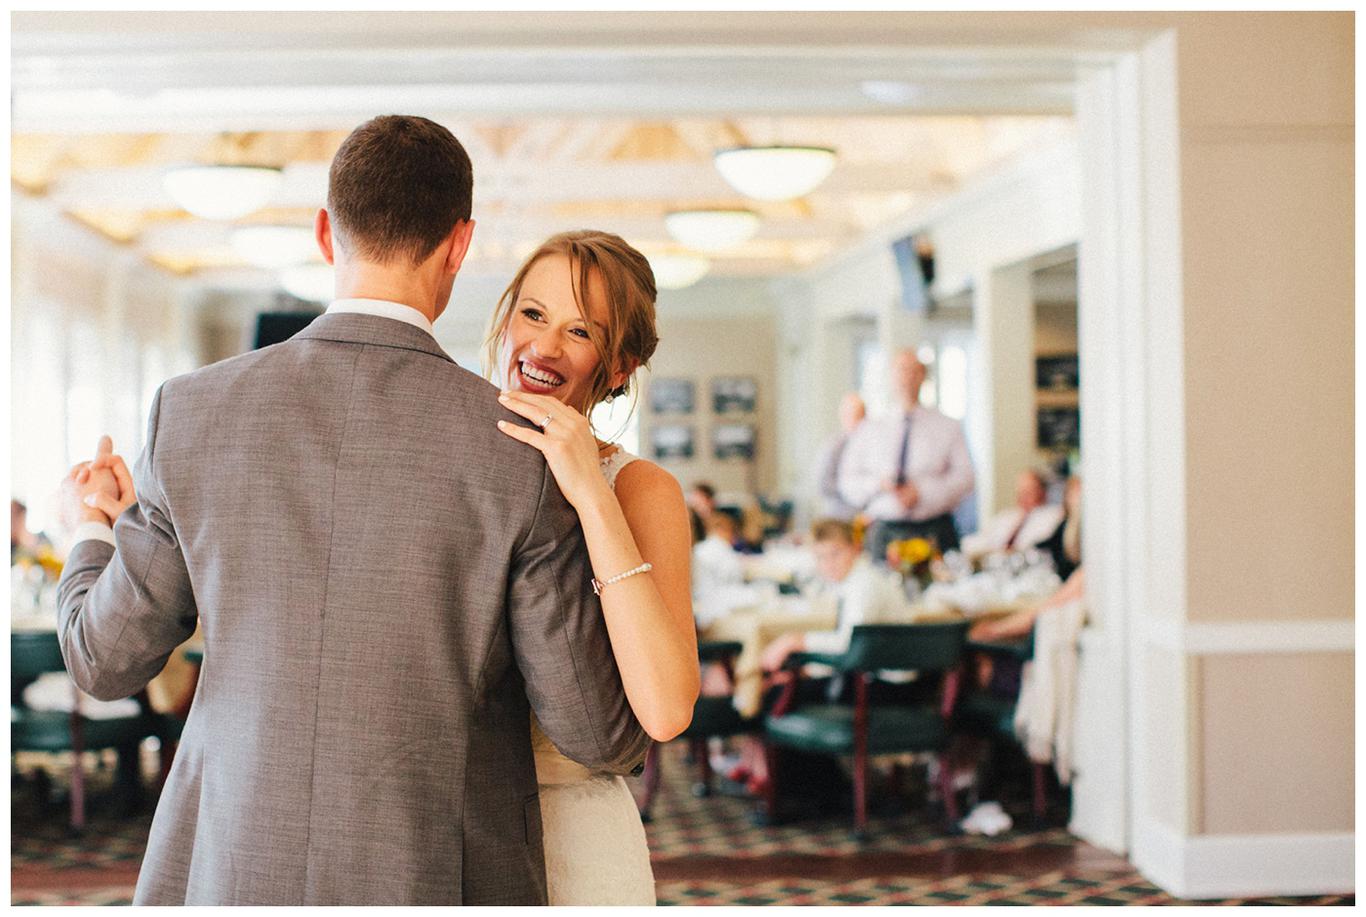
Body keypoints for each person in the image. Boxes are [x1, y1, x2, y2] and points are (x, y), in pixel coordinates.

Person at [54, 115, 650, 906]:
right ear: (459, 245)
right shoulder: (520, 449)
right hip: (434, 871)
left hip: (231, 861)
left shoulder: (190, 414)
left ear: (324, 233)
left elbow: (104, 660)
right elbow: (594, 731)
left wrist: (91, 529)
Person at [488, 229, 699, 905]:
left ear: (618, 367)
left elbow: (666, 709)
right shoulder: (446, 462)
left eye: (579, 331)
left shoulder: (642, 490)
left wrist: (590, 493)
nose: (544, 347)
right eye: (533, 313)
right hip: (454, 826)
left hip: (578, 839)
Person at [837, 348, 975, 561]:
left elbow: (965, 478)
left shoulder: (948, 426)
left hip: (935, 529)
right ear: (891, 376)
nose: (907, 378)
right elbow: (847, 481)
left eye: (914, 371)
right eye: (901, 371)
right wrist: (880, 484)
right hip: (885, 530)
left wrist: (922, 492)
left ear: (923, 376)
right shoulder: (869, 429)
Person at [759, 519, 911, 672]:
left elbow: (847, 642)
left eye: (835, 554)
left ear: (855, 549)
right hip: (874, 666)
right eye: (820, 557)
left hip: (883, 676)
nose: (828, 563)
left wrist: (793, 641)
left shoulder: (864, 584)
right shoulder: (857, 578)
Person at [959, 469, 1064, 561]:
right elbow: (979, 541)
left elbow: (1036, 547)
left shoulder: (1053, 516)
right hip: (994, 565)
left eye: (1028, 492)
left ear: (1042, 493)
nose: (1023, 497)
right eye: (1020, 492)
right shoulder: (1006, 517)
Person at [813, 392, 866, 520]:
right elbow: (823, 484)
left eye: (862, 416)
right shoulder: (833, 447)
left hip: (865, 517)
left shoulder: (870, 446)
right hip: (839, 517)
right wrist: (853, 489)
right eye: (854, 416)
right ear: (843, 417)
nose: (859, 422)